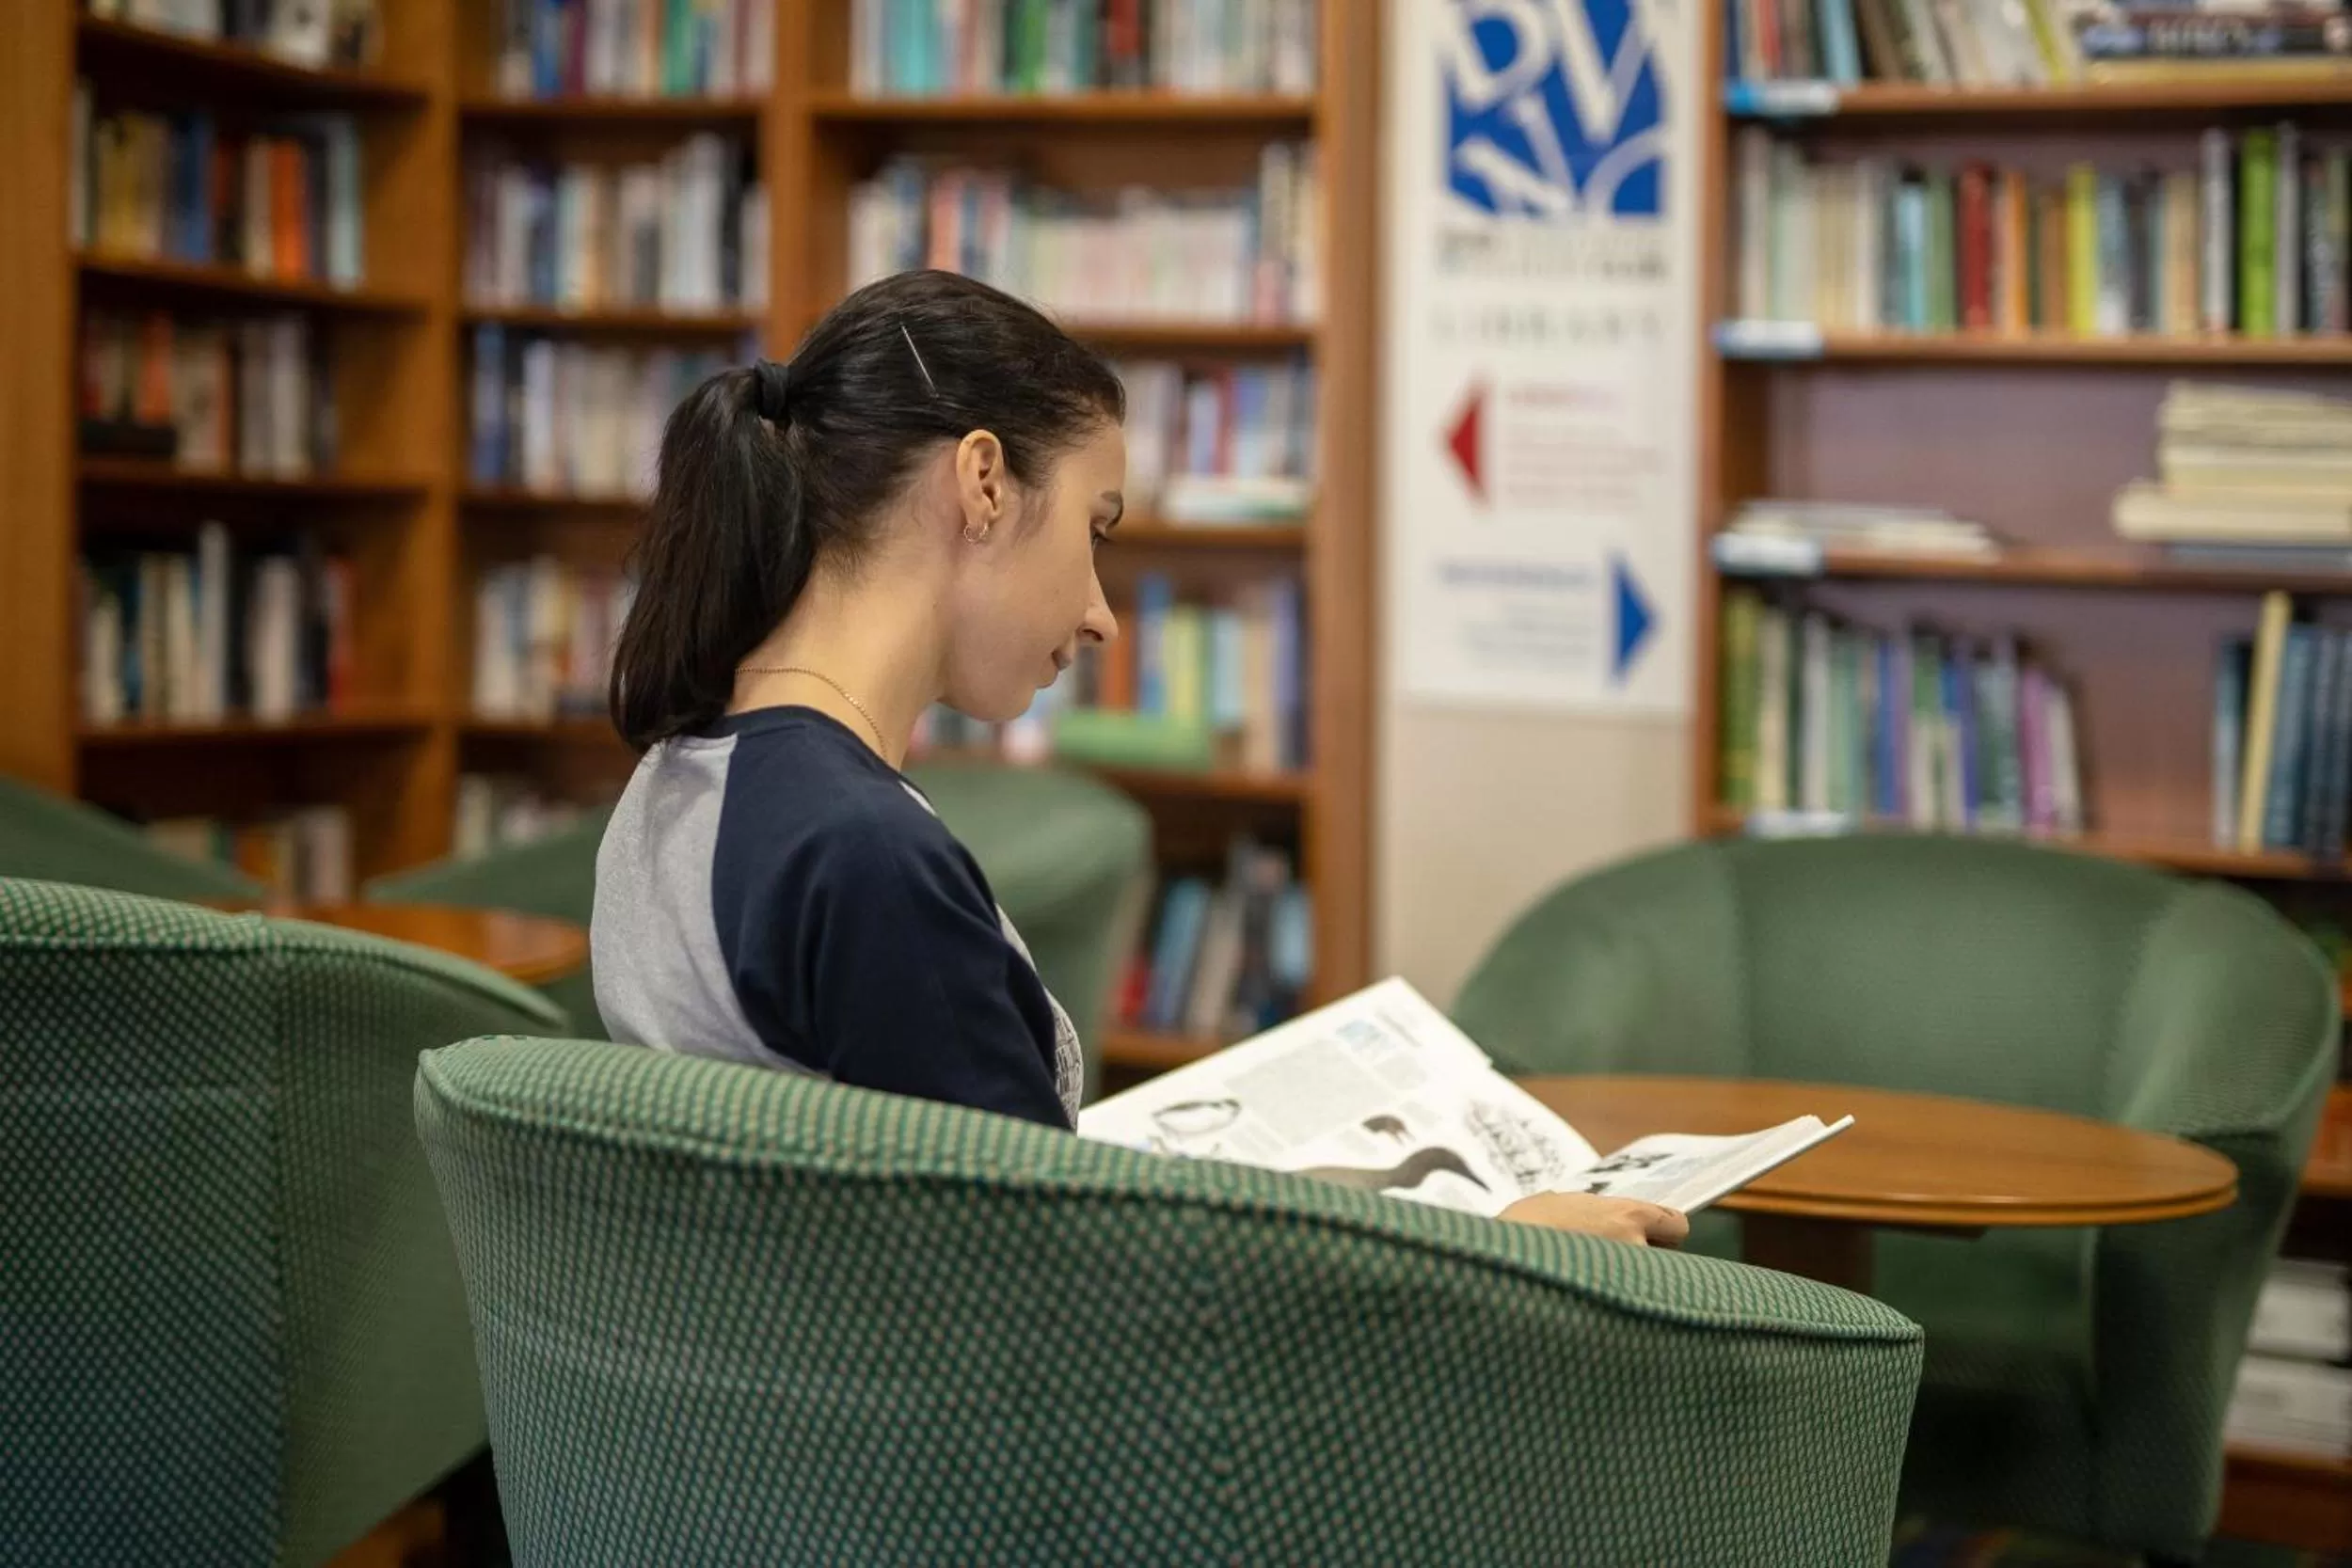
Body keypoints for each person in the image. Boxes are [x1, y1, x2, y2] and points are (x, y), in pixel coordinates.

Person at [590, 268, 1686, 1252]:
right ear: (979, 483)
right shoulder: (862, 858)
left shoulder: (669, 787)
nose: (1100, 614)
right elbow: (1057, 1294)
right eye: (1096, 528)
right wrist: (1492, 1242)